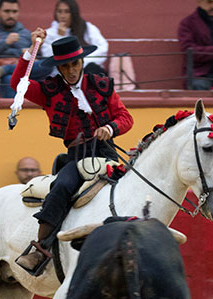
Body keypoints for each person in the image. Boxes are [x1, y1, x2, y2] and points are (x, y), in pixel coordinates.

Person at [13, 31, 133, 273]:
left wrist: (110, 128)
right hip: (77, 156)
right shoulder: (49, 90)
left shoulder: (101, 85)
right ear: (58, 67)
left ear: (82, 62)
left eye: (74, 64)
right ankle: (41, 248)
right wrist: (29, 53)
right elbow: (18, 84)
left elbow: (125, 118)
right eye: (65, 66)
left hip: (107, 153)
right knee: (62, 187)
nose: (70, 71)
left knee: (134, 185)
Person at [0, 0, 51, 98]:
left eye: (14, 12)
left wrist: (32, 51)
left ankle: (3, 70)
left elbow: (37, 59)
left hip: (25, 74)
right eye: (7, 11)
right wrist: (5, 42)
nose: (11, 15)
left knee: (47, 64)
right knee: (11, 80)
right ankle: (14, 113)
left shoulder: (25, 33)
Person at [41, 0, 108, 76]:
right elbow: (48, 56)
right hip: (62, 74)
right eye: (59, 12)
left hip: (86, 69)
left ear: (74, 13)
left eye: (67, 12)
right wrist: (60, 36)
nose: (62, 16)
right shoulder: (49, 33)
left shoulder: (87, 28)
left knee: (93, 70)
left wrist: (81, 62)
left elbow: (102, 48)